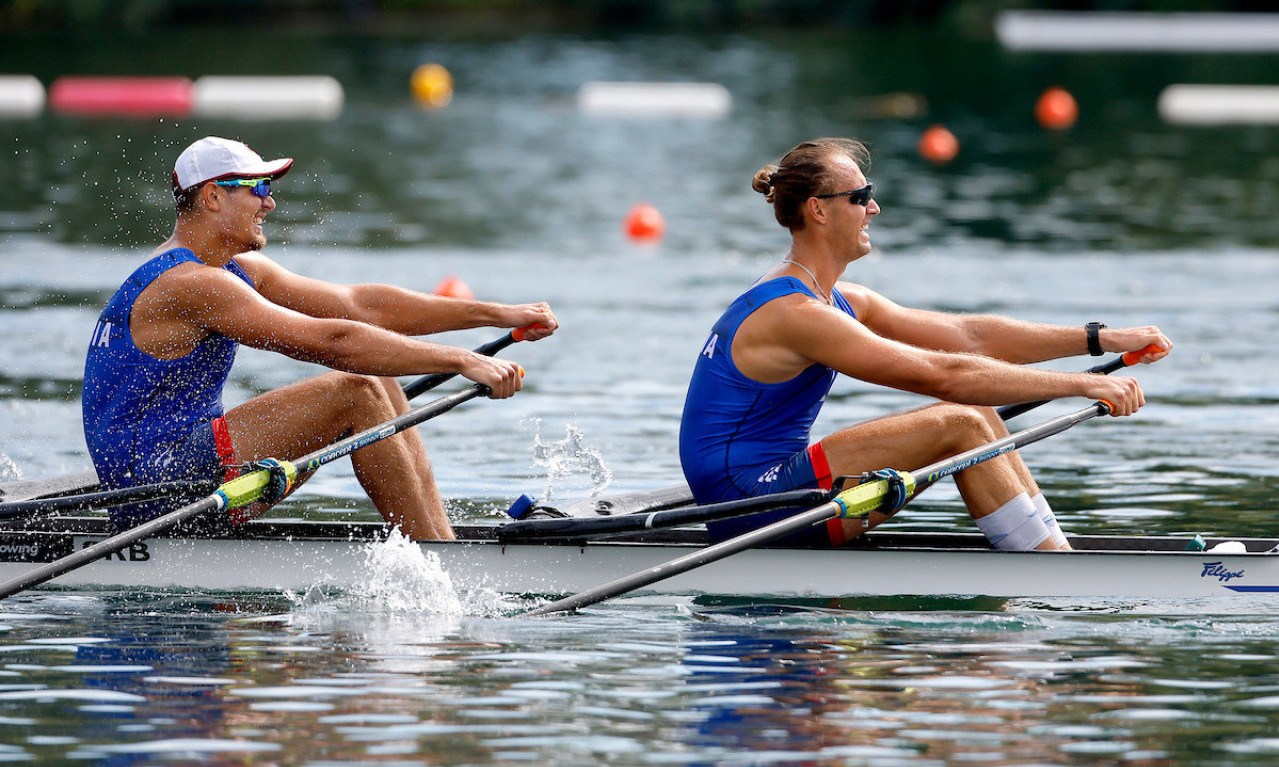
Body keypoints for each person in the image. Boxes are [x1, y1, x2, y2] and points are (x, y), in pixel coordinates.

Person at [679, 137, 1172, 550]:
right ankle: (1056, 580)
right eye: (860, 195)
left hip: (774, 490)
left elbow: (969, 337)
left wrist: (1100, 338)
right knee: (961, 418)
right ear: (819, 211)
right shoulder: (796, 314)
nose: (873, 207)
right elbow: (945, 375)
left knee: (978, 416)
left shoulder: (837, 299)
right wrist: (1080, 388)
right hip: (749, 506)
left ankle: (1052, 557)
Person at [83, 136, 557, 540]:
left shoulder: (231, 270)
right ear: (212, 198)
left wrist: (498, 314)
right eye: (258, 188)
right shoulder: (192, 283)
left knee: (372, 368)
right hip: (150, 488)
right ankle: (436, 557)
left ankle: (438, 542)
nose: (269, 202)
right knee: (357, 391)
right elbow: (332, 341)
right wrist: (460, 361)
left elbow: (359, 306)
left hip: (183, 466)